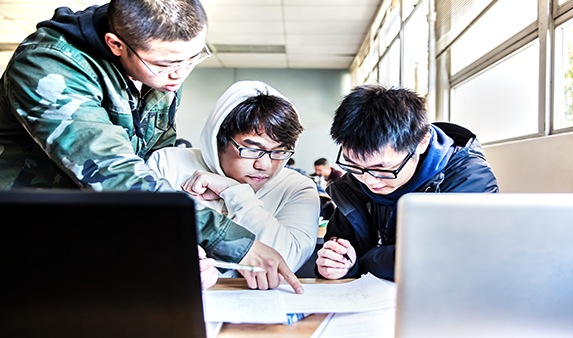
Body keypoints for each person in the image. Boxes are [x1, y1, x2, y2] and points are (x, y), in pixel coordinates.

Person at [0, 0, 303, 293]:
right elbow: (118, 174)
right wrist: (236, 243)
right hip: (27, 241)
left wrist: (182, 243)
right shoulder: (50, 64)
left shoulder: (160, 74)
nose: (180, 74)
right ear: (116, 44)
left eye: (192, 58)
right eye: (165, 63)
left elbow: (155, 161)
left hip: (96, 239)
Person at [316, 84, 499, 281]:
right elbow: (342, 247)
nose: (369, 180)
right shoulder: (356, 179)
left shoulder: (469, 179)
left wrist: (363, 262)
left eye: (382, 168)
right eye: (353, 165)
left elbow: (446, 261)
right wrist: (338, 265)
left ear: (422, 142)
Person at [146, 80, 320, 273]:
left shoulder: (297, 187)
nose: (265, 165)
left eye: (279, 151)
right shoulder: (168, 164)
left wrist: (234, 191)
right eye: (252, 149)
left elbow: (285, 263)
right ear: (218, 139)